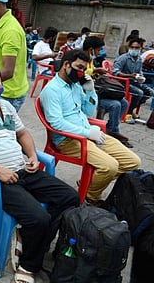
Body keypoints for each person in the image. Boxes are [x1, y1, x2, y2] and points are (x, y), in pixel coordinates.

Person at [0, 61, 79, 282]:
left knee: (70, 197)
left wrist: (31, 156)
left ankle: (32, 240)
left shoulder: (6, 106)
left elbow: (23, 134)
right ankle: (28, 267)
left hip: (24, 171)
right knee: (38, 218)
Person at [40, 49, 141, 205]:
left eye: (84, 69)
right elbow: (56, 123)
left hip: (88, 133)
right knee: (110, 166)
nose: (81, 72)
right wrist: (87, 133)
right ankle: (91, 196)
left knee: (133, 161)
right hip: (68, 140)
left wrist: (90, 90)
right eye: (79, 67)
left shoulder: (75, 86)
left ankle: (90, 183)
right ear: (66, 65)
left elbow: (87, 112)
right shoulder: (52, 90)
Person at [82, 36, 131, 147]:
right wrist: (96, 70)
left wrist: (97, 72)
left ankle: (111, 128)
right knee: (115, 104)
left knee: (124, 103)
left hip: (97, 91)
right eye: (98, 50)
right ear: (91, 49)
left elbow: (91, 74)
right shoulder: (80, 59)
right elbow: (82, 76)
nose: (99, 52)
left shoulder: (90, 59)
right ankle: (113, 132)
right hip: (88, 96)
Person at [113, 37, 154, 120]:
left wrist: (141, 77)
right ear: (129, 47)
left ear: (141, 49)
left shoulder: (139, 59)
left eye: (137, 47)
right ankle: (128, 113)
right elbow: (115, 72)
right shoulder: (123, 58)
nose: (134, 49)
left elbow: (140, 71)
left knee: (149, 92)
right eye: (132, 47)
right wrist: (130, 76)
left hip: (133, 82)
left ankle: (132, 109)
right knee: (139, 92)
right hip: (121, 82)